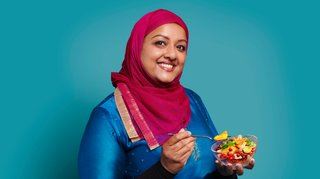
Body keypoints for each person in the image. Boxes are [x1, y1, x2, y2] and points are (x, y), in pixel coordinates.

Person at [78, 9, 255, 178]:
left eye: (180, 47)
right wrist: (164, 169)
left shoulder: (192, 100)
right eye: (160, 43)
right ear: (137, 47)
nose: (172, 54)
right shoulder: (108, 116)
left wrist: (224, 173)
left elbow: (205, 169)